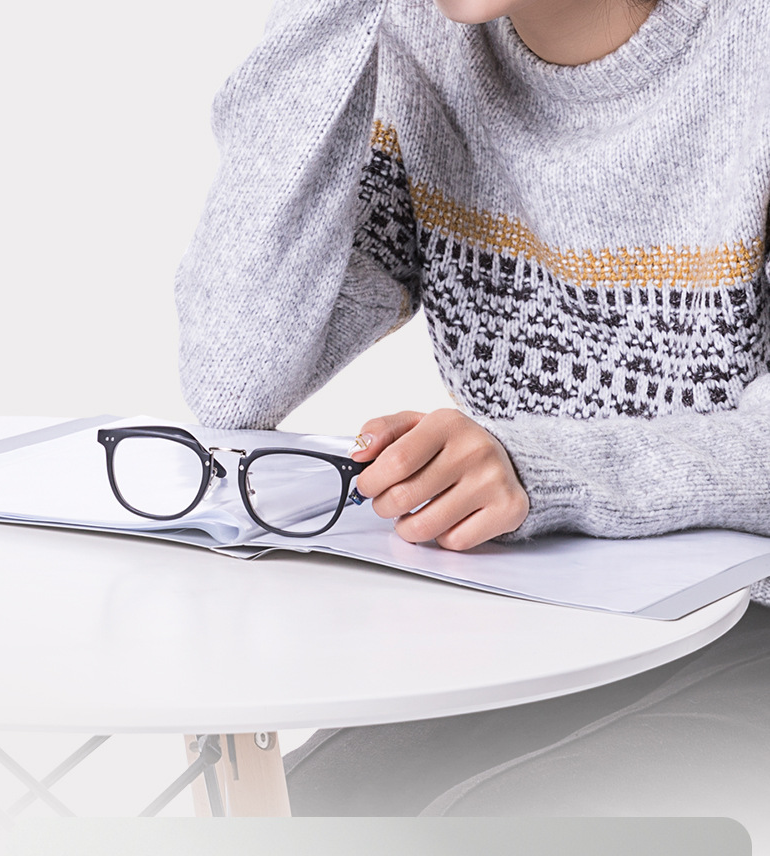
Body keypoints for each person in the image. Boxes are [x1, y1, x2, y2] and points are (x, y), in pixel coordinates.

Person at [175, 0, 770, 818]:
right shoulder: (424, 49)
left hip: (749, 633)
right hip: (553, 628)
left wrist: (542, 469)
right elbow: (235, 379)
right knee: (299, 814)